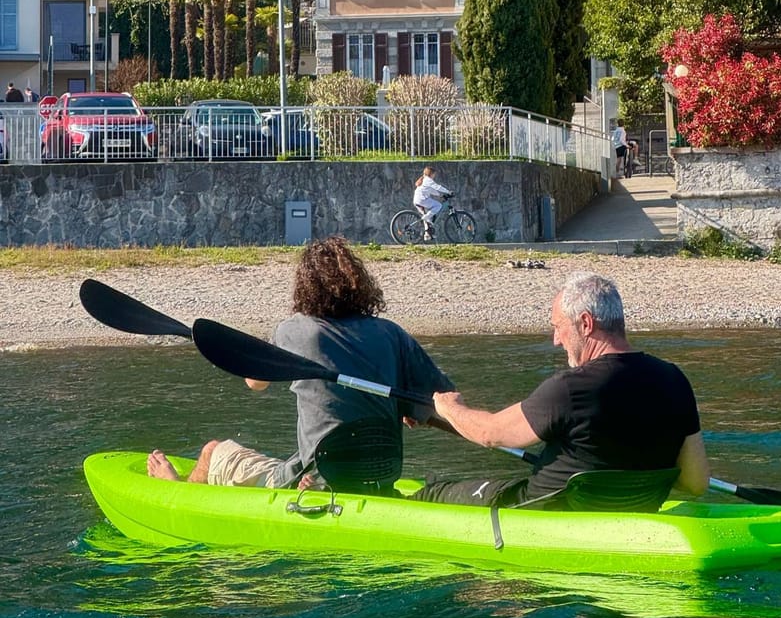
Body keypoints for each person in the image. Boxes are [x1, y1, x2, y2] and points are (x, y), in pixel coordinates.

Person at [147, 235, 454, 489]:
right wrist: (407, 409)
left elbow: (255, 382)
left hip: (314, 479)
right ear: (361, 284)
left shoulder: (295, 330)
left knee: (212, 451)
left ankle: (176, 489)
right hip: (382, 473)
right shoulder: (391, 333)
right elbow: (443, 401)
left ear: (305, 287)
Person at [411, 272, 709, 507]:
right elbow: (696, 482)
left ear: (586, 323)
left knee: (434, 494)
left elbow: (491, 433)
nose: (556, 339)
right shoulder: (674, 379)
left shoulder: (570, 388)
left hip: (546, 512)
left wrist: (449, 408)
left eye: (558, 326)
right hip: (636, 506)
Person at [413, 166, 451, 241]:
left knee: (427, 217)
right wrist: (448, 191)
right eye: (434, 174)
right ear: (430, 174)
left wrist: (440, 195)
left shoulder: (424, 179)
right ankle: (427, 218)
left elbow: (431, 190)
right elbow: (437, 187)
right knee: (438, 205)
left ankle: (427, 235)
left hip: (418, 200)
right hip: (422, 200)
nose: (434, 176)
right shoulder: (427, 179)